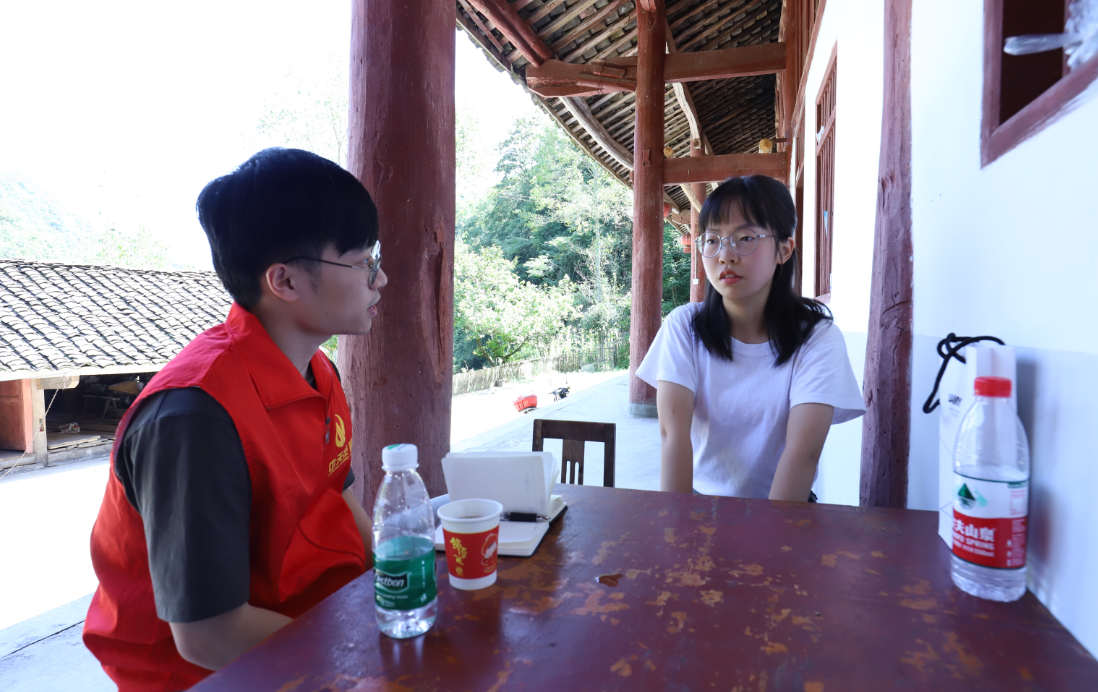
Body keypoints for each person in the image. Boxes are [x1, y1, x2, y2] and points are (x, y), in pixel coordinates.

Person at [83, 148, 386, 691]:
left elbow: (341, 498)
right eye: (363, 261)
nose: (380, 278)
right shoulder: (195, 417)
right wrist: (363, 657)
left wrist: (392, 593)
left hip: (317, 627)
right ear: (284, 282)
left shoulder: (319, 371)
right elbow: (208, 635)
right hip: (212, 674)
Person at [636, 175, 864, 501]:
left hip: (786, 511)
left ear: (784, 250)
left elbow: (802, 454)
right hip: (699, 504)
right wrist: (678, 525)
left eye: (745, 238)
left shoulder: (817, 338)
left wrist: (765, 533)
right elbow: (673, 437)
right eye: (712, 239)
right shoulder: (684, 327)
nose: (725, 255)